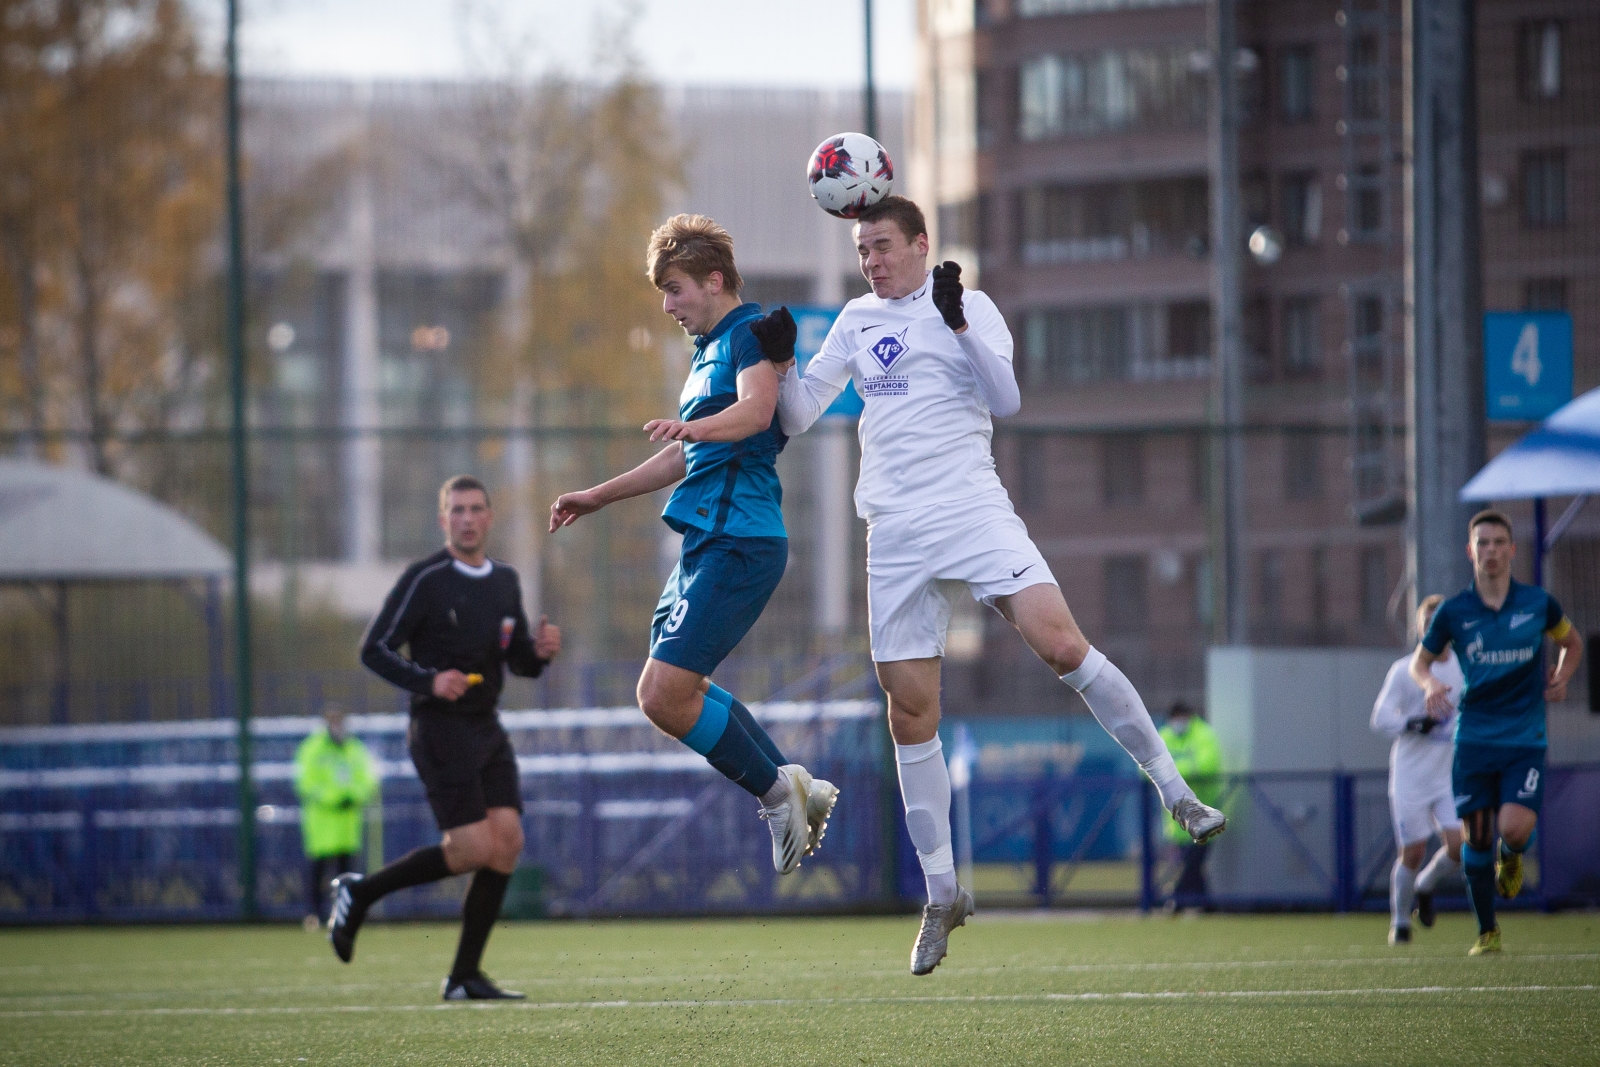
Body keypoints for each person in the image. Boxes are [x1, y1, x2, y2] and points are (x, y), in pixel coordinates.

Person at [771, 195, 1225, 975]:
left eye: (882, 245)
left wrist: (954, 322)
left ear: (920, 244)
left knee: (1062, 645)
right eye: (862, 249)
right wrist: (781, 364)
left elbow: (1008, 399)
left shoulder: (971, 305)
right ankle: (942, 894)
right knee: (910, 712)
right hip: (895, 532)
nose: (871, 260)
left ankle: (1177, 791)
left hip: (972, 510)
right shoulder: (853, 320)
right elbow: (798, 417)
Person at [549, 213, 838, 878]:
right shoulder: (705, 351)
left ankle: (778, 794)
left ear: (714, 280)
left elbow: (757, 412)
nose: (668, 305)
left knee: (663, 694)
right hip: (709, 539)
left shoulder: (747, 333)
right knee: (676, 691)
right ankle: (792, 785)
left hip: (742, 538)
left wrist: (695, 427)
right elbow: (688, 452)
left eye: (675, 289)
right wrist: (598, 494)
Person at [330, 475, 562, 1000]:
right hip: (438, 727)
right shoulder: (426, 579)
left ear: (489, 517)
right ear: (443, 520)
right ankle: (360, 893)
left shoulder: (505, 581)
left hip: (486, 725)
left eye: (476, 509)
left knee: (507, 845)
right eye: (456, 510)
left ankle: (463, 977)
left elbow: (519, 661)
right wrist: (428, 679)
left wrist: (540, 652)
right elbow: (374, 649)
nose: (467, 518)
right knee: (474, 846)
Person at [1411, 509, 1582, 955]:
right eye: (1482, 543)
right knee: (1477, 836)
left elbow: (1572, 643)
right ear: (1471, 552)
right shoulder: (1453, 611)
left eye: (1498, 542)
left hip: (1524, 737)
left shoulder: (1538, 604)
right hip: (1473, 739)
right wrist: (1429, 683)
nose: (1490, 551)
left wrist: (1563, 676)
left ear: (1511, 549)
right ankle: (1487, 931)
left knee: (1515, 828)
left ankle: (1514, 854)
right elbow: (1420, 661)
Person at [1371, 595, 1465, 945]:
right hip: (1411, 776)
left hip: (1447, 776)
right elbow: (1380, 718)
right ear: (1419, 626)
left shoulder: (1463, 667)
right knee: (1412, 851)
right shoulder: (1404, 670)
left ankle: (1425, 885)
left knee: (1459, 846)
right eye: (1427, 620)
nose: (1432, 626)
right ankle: (1400, 922)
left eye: (1438, 619)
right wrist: (1412, 723)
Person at [293, 703, 378, 930]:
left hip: (347, 825)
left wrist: (353, 796)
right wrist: (334, 798)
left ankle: (348, 914)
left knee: (348, 874)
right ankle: (313, 914)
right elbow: (306, 783)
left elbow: (367, 779)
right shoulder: (312, 749)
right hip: (322, 824)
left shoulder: (354, 748)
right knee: (317, 872)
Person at [1159, 702, 1222, 912]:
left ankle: (1176, 900)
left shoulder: (1203, 734)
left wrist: (1170, 773)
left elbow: (1207, 766)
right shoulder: (1164, 735)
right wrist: (1184, 770)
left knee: (1193, 863)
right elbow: (1144, 769)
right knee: (1192, 865)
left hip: (1204, 814)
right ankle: (1206, 905)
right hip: (1175, 821)